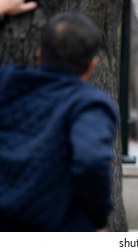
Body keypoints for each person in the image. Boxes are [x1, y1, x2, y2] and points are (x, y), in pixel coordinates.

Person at [0, 12, 118, 231]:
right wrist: (98, 216)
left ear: (39, 53)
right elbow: (91, 160)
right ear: (92, 65)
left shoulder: (6, 80)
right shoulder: (89, 103)